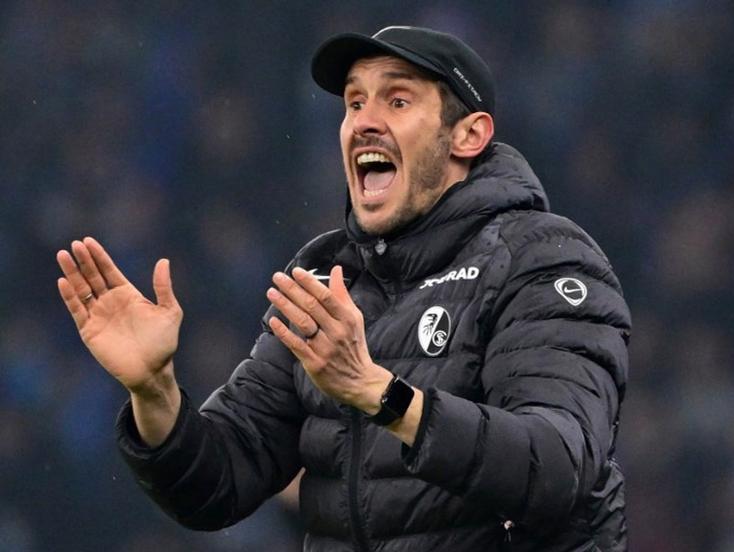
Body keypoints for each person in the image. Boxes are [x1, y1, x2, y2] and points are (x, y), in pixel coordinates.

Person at [56, 26, 631, 552]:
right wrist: (155, 390)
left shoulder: (542, 258)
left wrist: (380, 394)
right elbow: (217, 486)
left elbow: (558, 467)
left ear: (469, 135)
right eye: (355, 103)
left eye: (397, 101)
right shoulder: (328, 276)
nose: (364, 122)